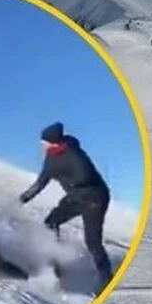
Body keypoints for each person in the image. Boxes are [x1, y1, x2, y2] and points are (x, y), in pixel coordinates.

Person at [19, 122, 113, 284]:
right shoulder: (51, 158)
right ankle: (55, 265)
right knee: (50, 222)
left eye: (44, 143)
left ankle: (106, 279)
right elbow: (41, 182)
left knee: (92, 242)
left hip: (95, 199)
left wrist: (70, 181)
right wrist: (22, 199)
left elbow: (85, 175)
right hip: (76, 198)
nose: (42, 146)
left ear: (53, 142)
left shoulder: (73, 153)